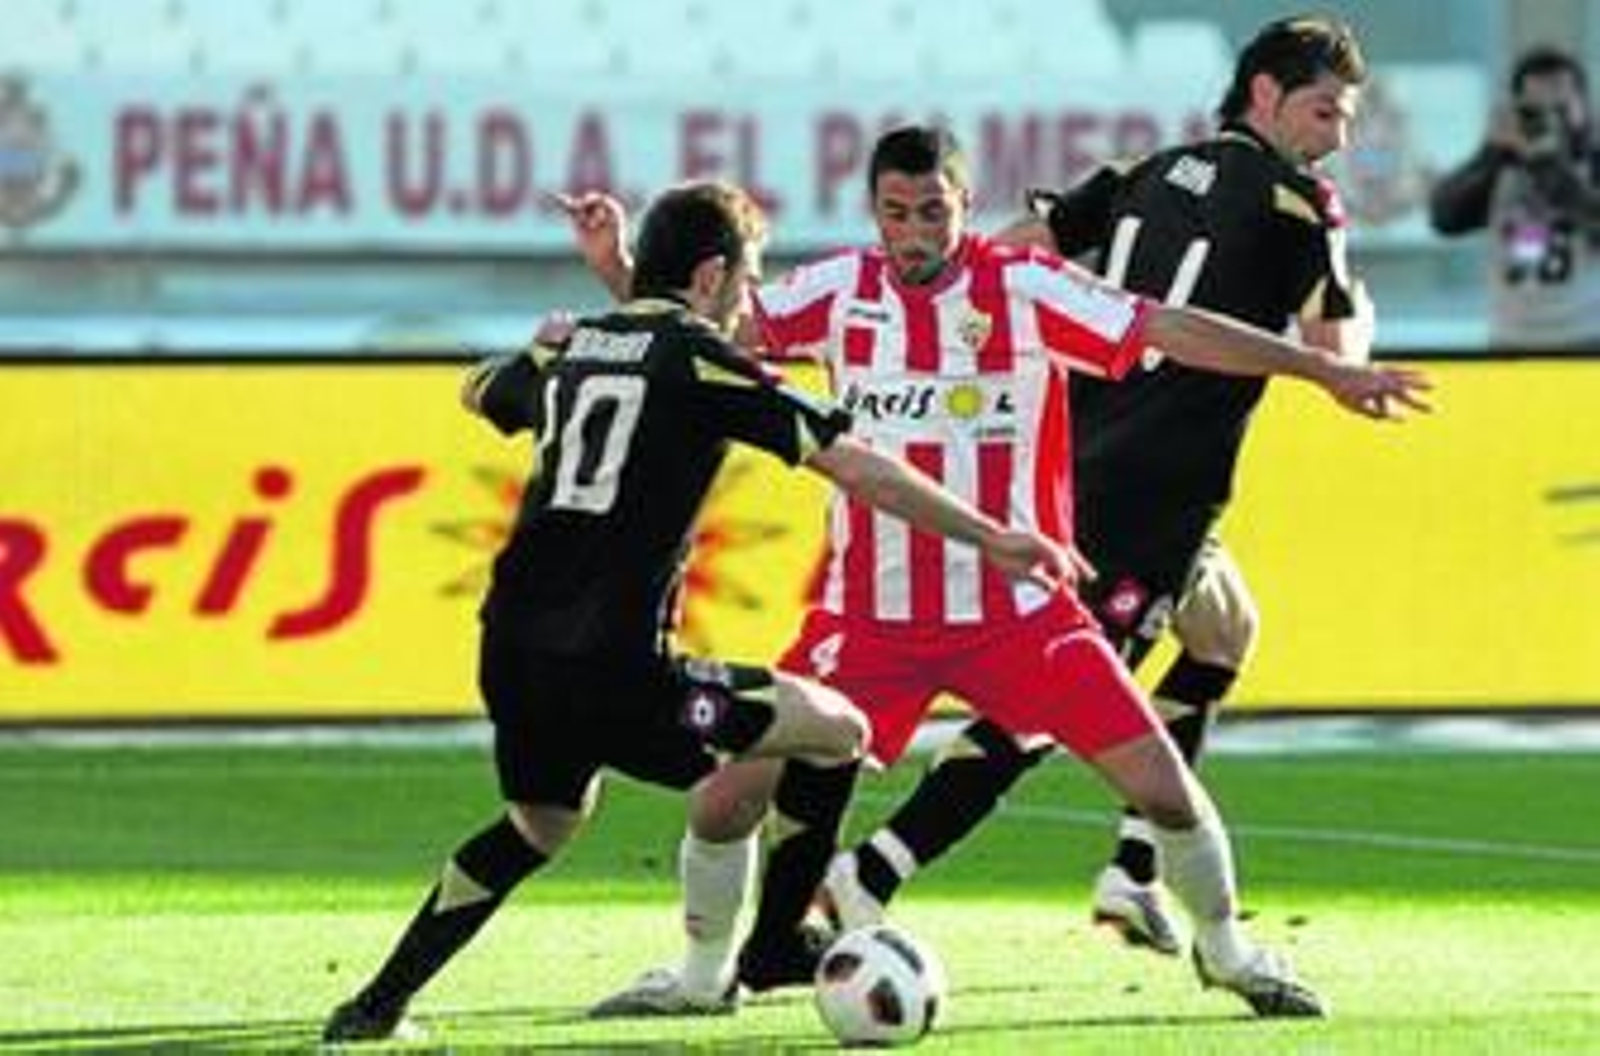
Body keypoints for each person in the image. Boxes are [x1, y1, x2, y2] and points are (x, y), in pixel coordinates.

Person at [572, 125, 1427, 1021]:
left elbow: (1168, 326)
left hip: (1020, 614)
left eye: (933, 211)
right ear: (875, 214)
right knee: (722, 802)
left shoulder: (1023, 287)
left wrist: (1320, 367)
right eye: (897, 214)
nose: (915, 233)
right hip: (868, 621)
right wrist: (617, 267)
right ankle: (704, 977)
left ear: (964, 206)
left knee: (1167, 793)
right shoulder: (836, 292)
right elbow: (705, 327)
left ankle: (1233, 954)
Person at [318, 179, 1075, 1043]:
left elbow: (477, 391)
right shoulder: (706, 360)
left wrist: (542, 346)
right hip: (620, 671)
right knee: (839, 729)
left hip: (514, 652)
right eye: (748, 279)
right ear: (713, 275)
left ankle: (374, 1007)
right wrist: (996, 537)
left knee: (542, 822)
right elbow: (853, 464)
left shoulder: (575, 350)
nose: (751, 300)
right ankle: (776, 945)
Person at [823, 13, 1377, 958]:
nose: (1338, 136)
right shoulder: (1297, 203)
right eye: (1326, 111)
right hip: (1155, 486)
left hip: (1073, 457)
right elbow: (1335, 353)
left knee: (1224, 629)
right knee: (1053, 701)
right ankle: (874, 868)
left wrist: (950, 330)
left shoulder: (1145, 171)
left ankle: (1134, 870)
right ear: (1267, 96)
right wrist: (1360, 320)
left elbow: (1014, 244)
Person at [1430, 44, 1600, 350]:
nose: (1550, 120)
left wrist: (1549, 164)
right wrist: (1490, 152)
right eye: (1535, 111)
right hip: (1510, 341)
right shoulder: (1500, 168)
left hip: (1585, 340)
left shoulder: (1594, 165)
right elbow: (1444, 218)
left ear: (1584, 107)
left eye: (1560, 109)